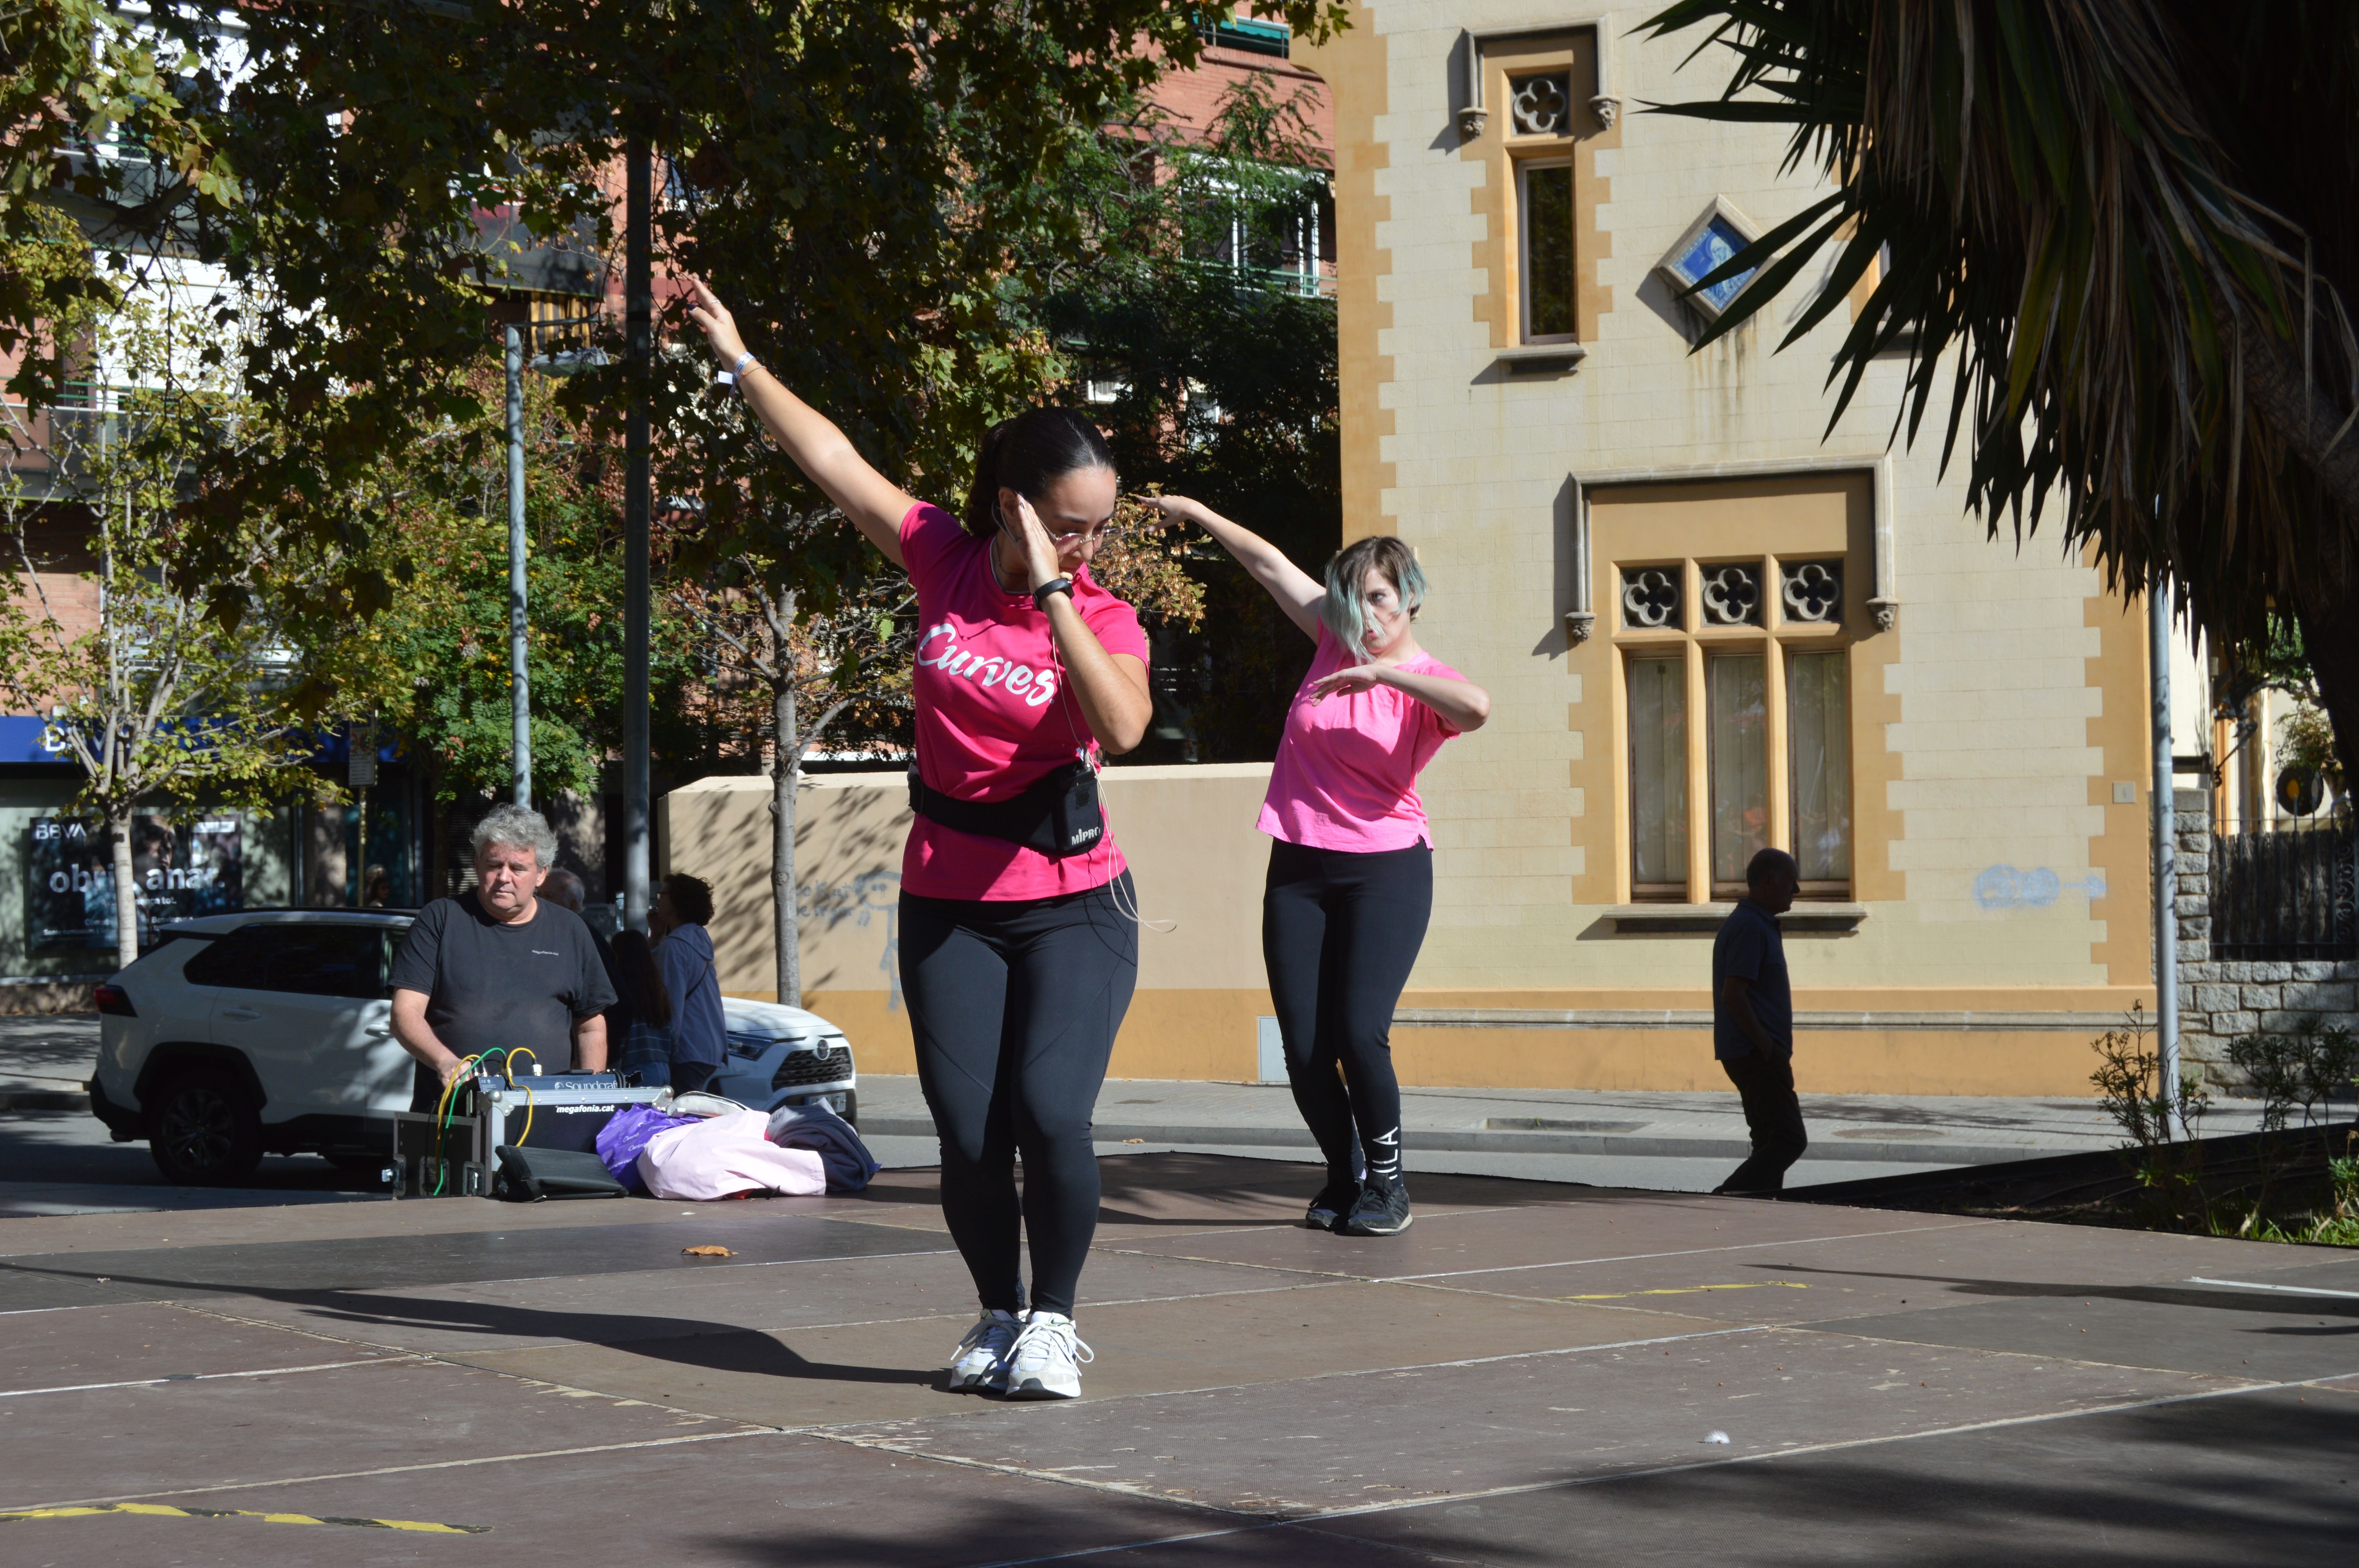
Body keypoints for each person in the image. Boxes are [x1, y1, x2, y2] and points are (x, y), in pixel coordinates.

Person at [686, 280, 1152, 1401]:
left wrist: (1055, 588)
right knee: (967, 1129)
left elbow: (1123, 725)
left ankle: (1056, 1320)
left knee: (1048, 1113)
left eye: (1102, 525)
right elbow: (835, 460)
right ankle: (997, 1314)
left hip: (1071, 898)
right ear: (1011, 504)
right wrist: (742, 358)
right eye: (1071, 521)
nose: (1093, 543)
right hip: (948, 897)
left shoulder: (1101, 611)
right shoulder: (942, 559)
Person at [1143, 498, 1489, 1239]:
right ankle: (1344, 1174)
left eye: (1379, 598)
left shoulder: (1425, 681)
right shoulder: (1331, 642)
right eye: (1352, 599)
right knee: (1302, 1050)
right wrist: (1197, 512)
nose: (1364, 614)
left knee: (1360, 1032)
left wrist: (1387, 679)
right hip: (1299, 865)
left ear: (1410, 599)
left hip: (1386, 870)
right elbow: (1268, 565)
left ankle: (1390, 1187)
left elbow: (1478, 706)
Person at [388, 804, 616, 1111]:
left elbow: (591, 1026)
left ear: (541, 875)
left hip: (544, 1117)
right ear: (478, 864)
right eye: (494, 865)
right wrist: (446, 1062)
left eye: (518, 868)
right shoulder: (441, 919)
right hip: (453, 1114)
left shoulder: (570, 929)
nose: (504, 878)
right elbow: (405, 1013)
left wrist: (590, 1100)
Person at [1712, 848, 1807, 1194]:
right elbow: (1734, 994)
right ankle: (1727, 1200)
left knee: (1769, 1139)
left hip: (1754, 1052)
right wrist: (1767, 1047)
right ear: (1770, 882)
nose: (1796, 892)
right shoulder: (1750, 926)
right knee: (1789, 1139)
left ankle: (1761, 1209)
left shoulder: (1755, 923)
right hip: (1755, 1053)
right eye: (1792, 883)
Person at [649, 873, 727, 1094]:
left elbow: (670, 1006)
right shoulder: (697, 937)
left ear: (675, 902)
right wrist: (656, 936)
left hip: (688, 1052)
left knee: (682, 1121)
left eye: (662, 895)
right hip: (708, 1048)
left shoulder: (674, 946)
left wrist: (664, 1054)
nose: (657, 900)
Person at [606, 928, 676, 1086]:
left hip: (634, 1071)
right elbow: (673, 1038)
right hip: (663, 1069)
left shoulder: (622, 996)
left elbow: (620, 1040)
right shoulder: (657, 994)